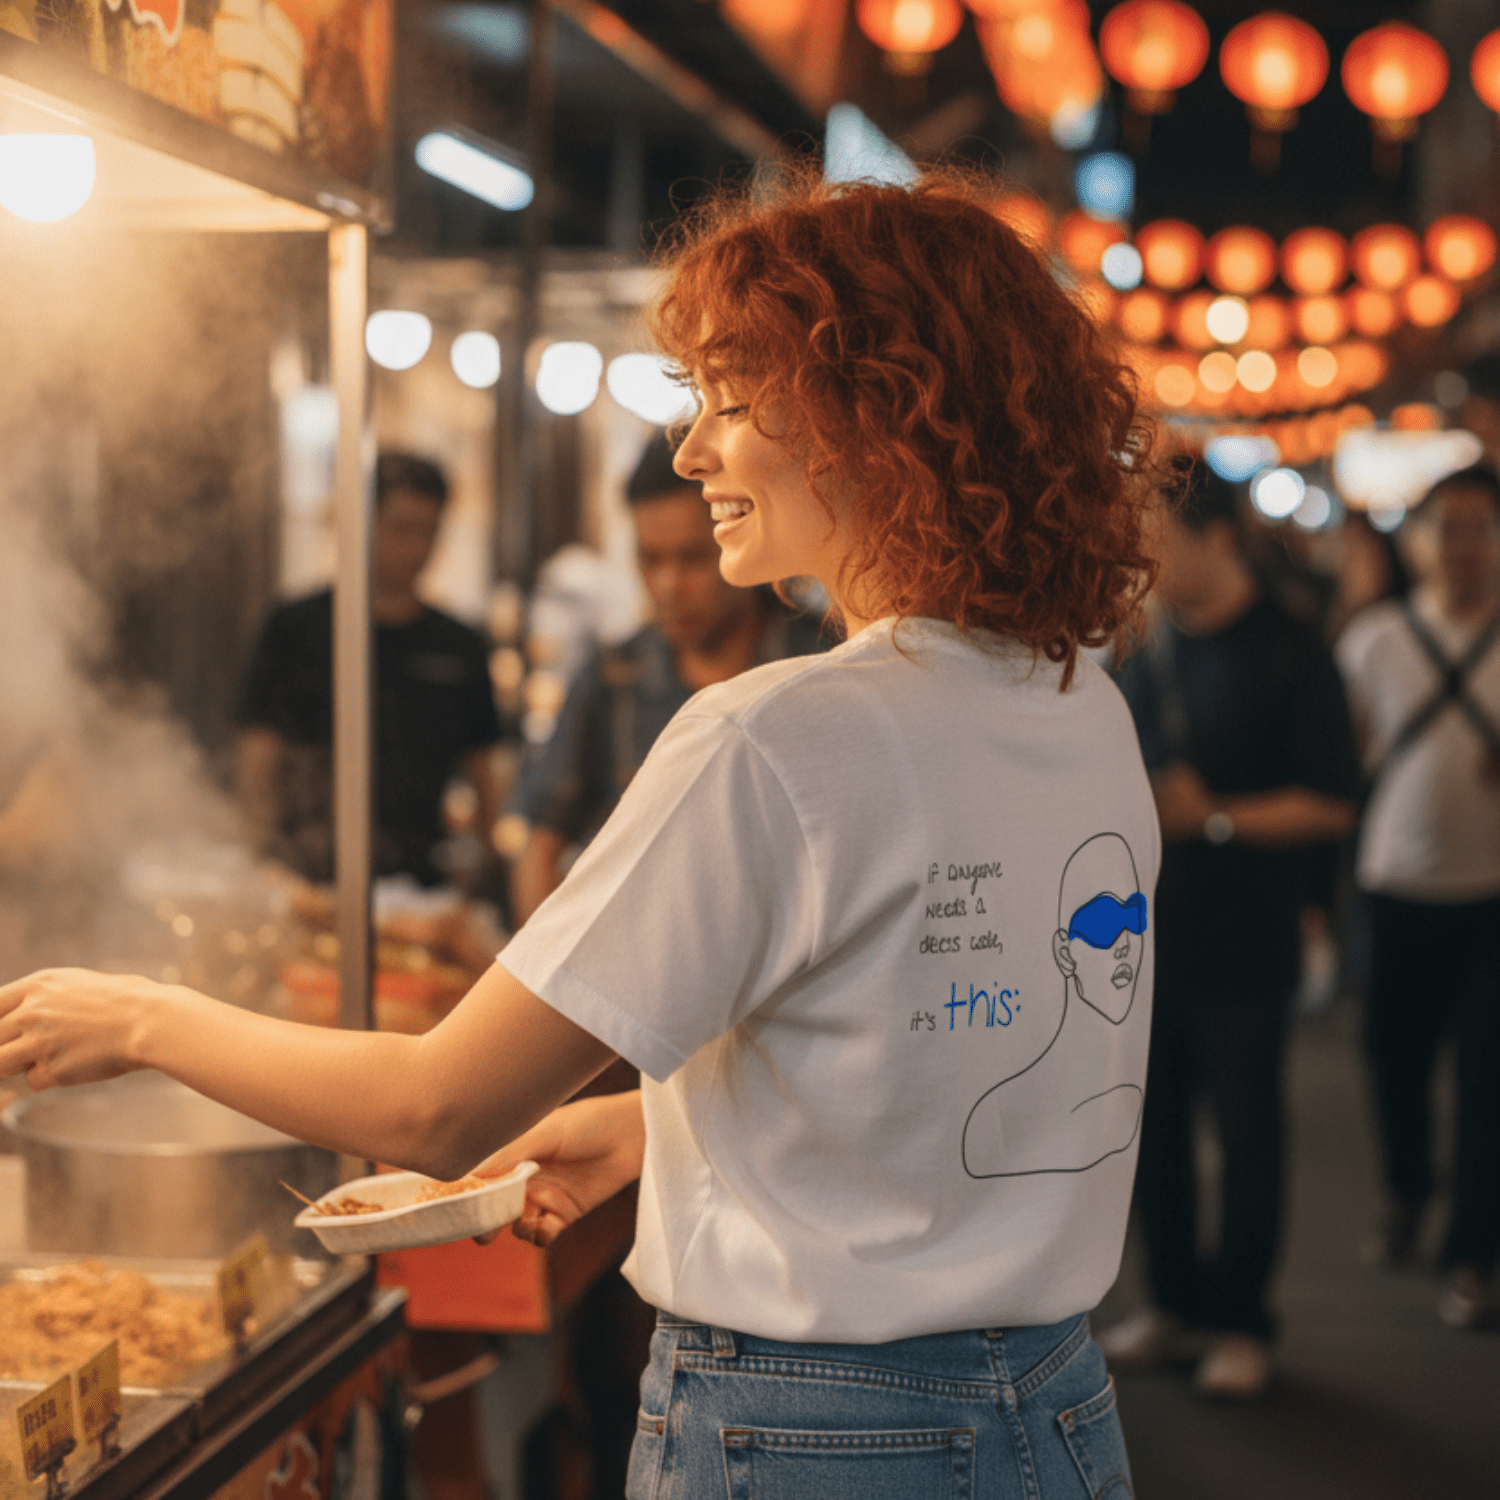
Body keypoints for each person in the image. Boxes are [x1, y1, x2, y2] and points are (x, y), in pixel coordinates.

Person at [1, 168, 1161, 1498]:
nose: (692, 452)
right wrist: (654, 1131)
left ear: (875, 418)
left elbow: (437, 1107)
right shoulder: (1078, 706)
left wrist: (145, 1018)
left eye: (733, 401)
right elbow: (945, 1064)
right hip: (1055, 1415)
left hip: (813, 1436)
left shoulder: (774, 736)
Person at [1106, 460, 1360, 1399]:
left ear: (1216, 537)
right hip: (1144, 939)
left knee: (1248, 1133)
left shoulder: (1291, 651)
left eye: (1156, 533)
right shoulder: (1144, 648)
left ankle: (1243, 1321)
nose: (1140, 552)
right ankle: (1173, 1304)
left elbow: (1332, 802)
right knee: (1154, 1132)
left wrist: (1213, 817)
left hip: (1248, 939)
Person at [510, 431, 823, 924]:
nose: (668, 585)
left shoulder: (821, 663)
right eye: (650, 559)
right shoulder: (613, 679)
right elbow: (540, 850)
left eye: (693, 559)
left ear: (739, 536)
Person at [1335, 465, 1500, 1329]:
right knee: (1393, 1059)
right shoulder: (1374, 639)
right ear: (1419, 540)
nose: (1464, 546)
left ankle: (1473, 1252)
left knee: (1488, 1077)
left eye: (1482, 528)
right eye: (1448, 527)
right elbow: (1345, 760)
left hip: (1492, 895)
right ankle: (1406, 1190)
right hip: (1395, 882)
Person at [238, 451, 503, 889]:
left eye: (429, 531)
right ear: (362, 523)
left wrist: (489, 866)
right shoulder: (296, 628)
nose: (416, 548)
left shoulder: (459, 644)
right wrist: (260, 855)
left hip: (421, 880)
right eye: (401, 528)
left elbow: (484, 767)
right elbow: (260, 752)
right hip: (303, 877)